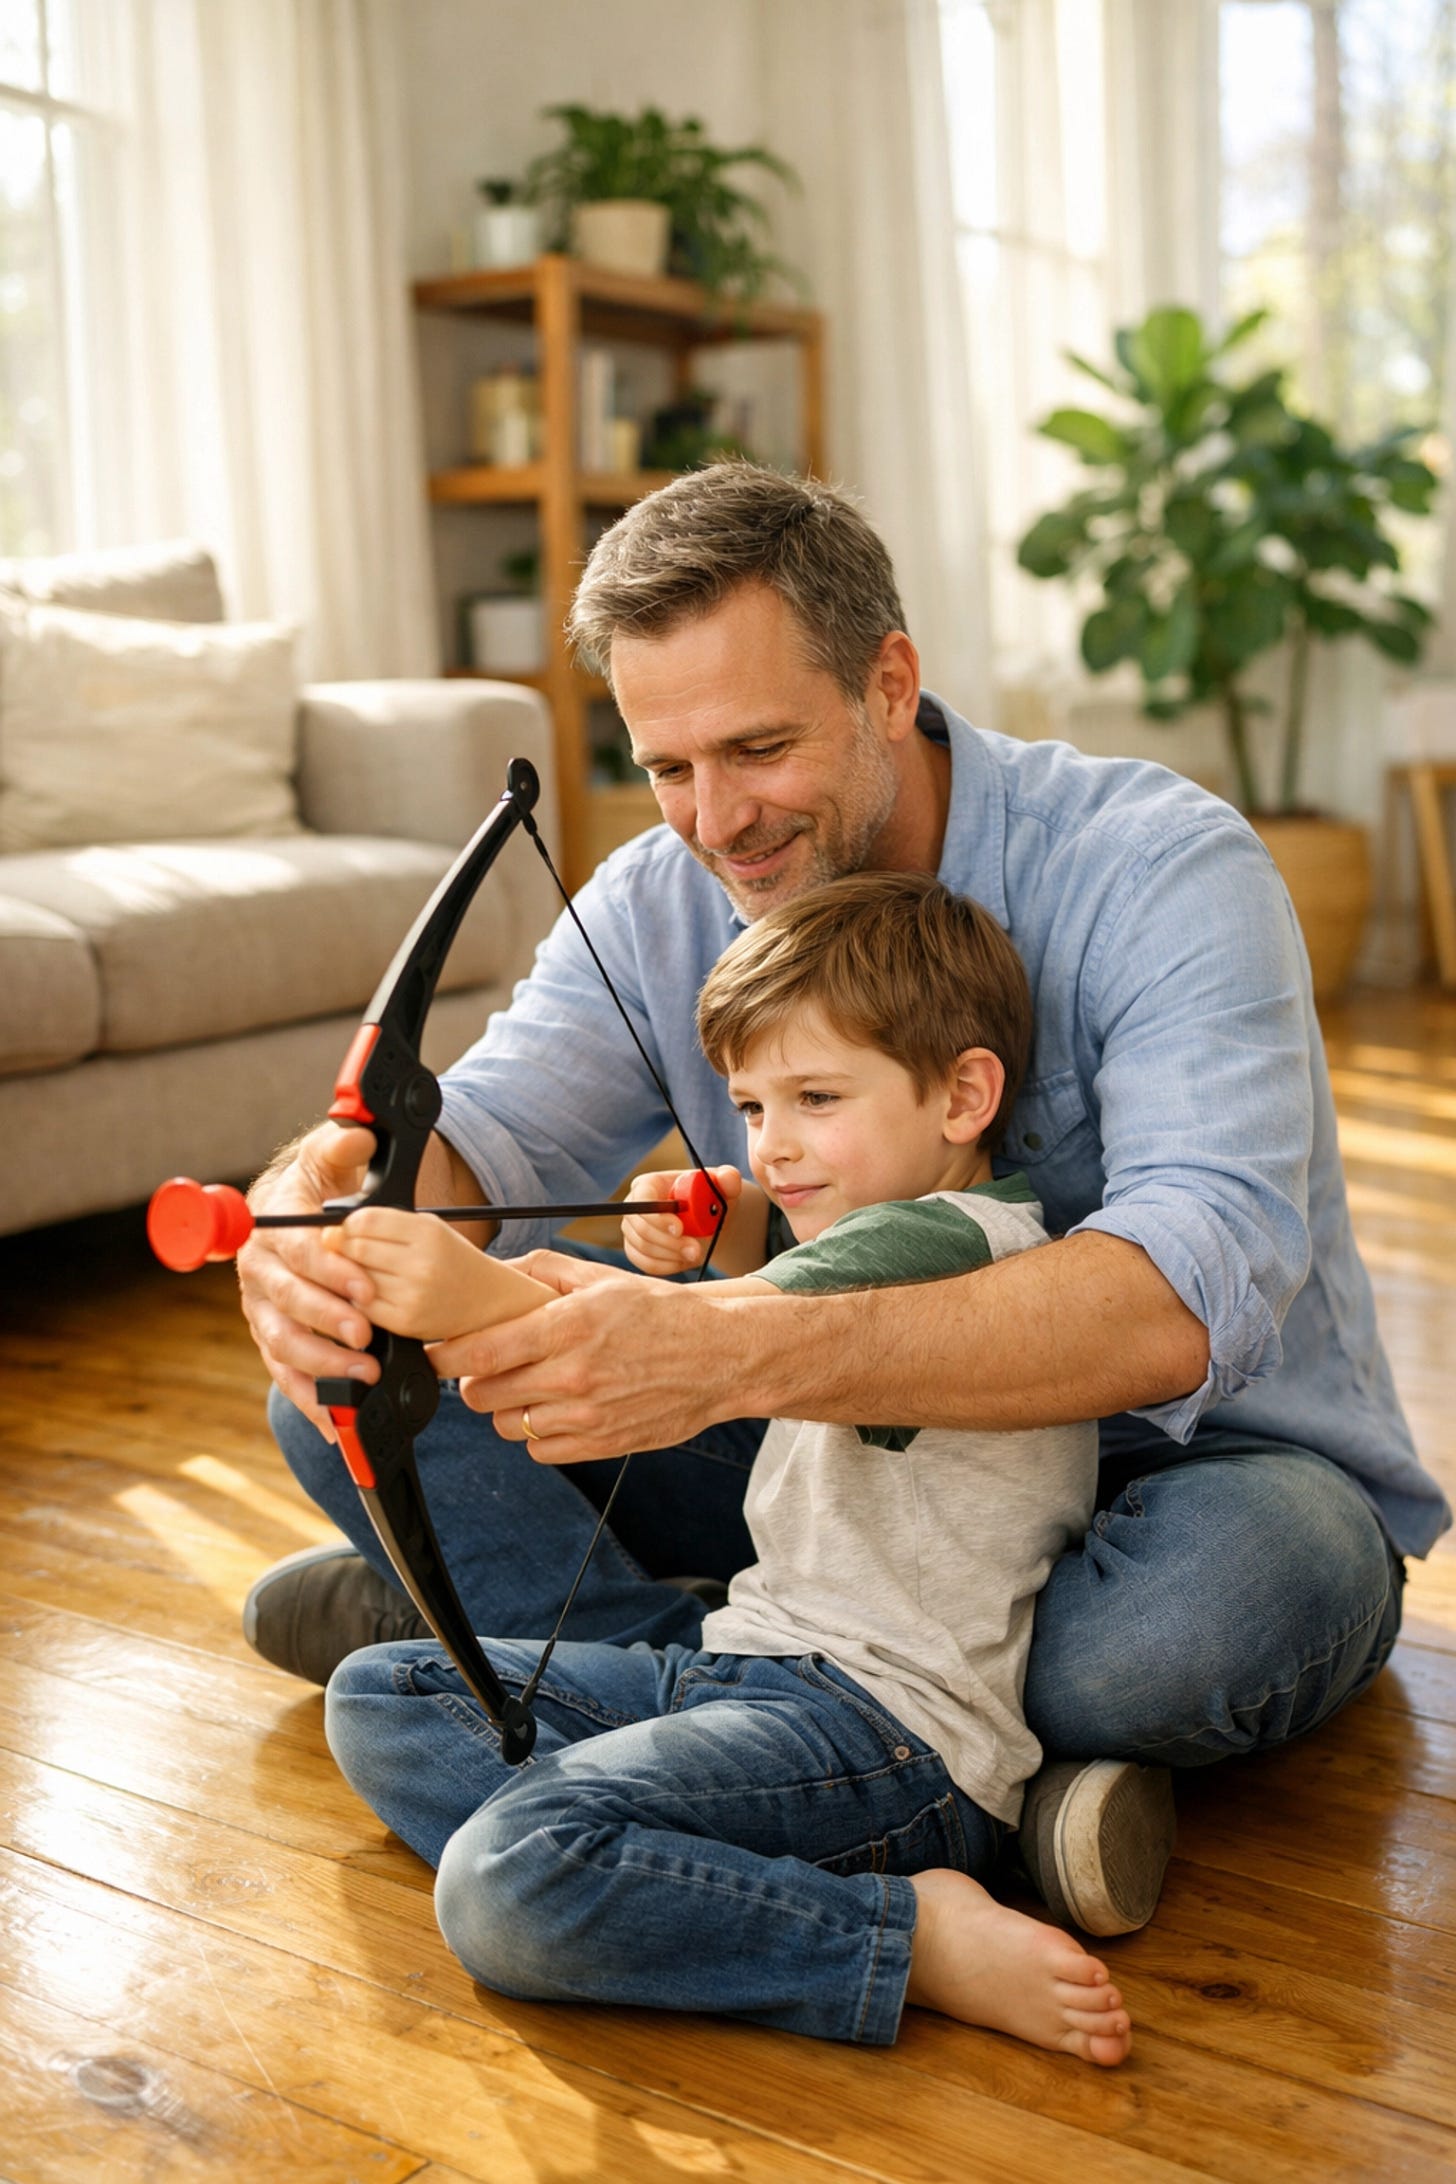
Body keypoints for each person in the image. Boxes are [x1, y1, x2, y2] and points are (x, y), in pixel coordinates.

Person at [239, 462, 1447, 1941]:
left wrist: (726, 1345)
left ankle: (546, 1653)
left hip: (1194, 1481)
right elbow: (469, 1139)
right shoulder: (651, 895)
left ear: (890, 682)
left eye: (757, 748)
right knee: (344, 1383)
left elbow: (1182, 1297)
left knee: (1168, 1649)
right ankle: (765, 1724)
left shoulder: (1157, 864)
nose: (715, 820)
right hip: (840, 1471)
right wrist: (315, 1209)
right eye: (667, 766)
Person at [322, 871, 1132, 2061]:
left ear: (964, 1095)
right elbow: (777, 1301)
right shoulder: (881, 1235)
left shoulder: (959, 1245)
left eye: (816, 1098)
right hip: (747, 1674)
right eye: (752, 1107)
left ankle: (897, 1937)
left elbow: (714, 1333)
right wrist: (739, 1231)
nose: (776, 1145)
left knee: (506, 1880)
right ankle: (676, 1867)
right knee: (383, 1697)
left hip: (883, 1735)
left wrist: (446, 1277)